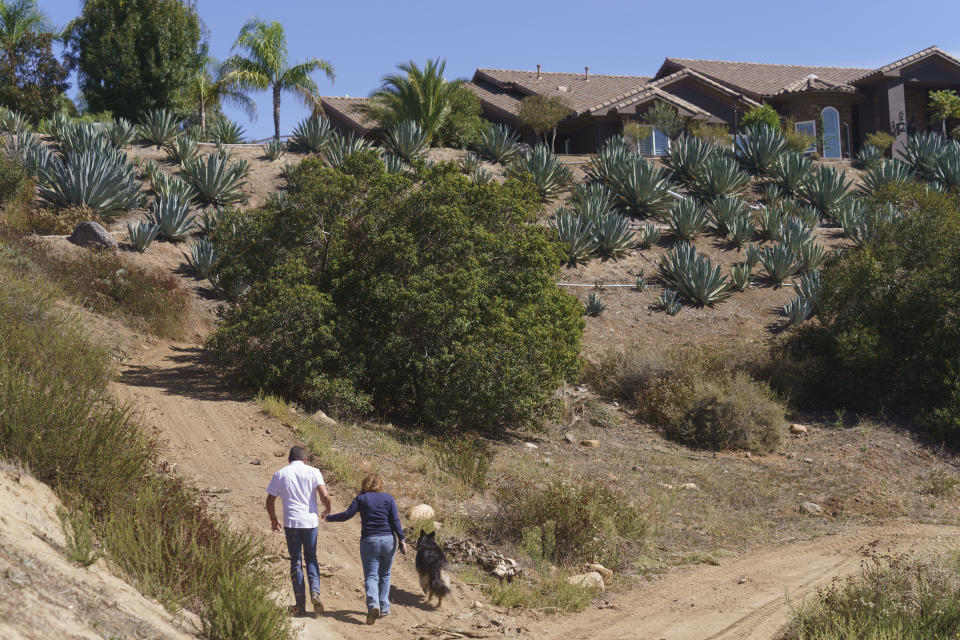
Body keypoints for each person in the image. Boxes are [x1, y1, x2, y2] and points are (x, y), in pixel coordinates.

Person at [324, 473, 407, 625]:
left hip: (370, 540)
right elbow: (395, 520)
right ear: (380, 485)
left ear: (365, 484)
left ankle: (373, 605)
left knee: (371, 576)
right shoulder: (388, 498)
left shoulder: (361, 498)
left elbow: (347, 515)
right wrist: (402, 539)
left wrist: (329, 518)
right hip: (389, 540)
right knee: (385, 574)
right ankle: (384, 607)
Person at [266, 445, 332, 616]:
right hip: (310, 522)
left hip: (292, 523)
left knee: (295, 560)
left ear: (288, 460)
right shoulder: (314, 472)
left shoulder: (280, 474)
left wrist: (274, 519)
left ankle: (300, 604)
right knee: (311, 558)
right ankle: (315, 593)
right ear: (305, 459)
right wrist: (327, 509)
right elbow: (325, 495)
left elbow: (270, 500)